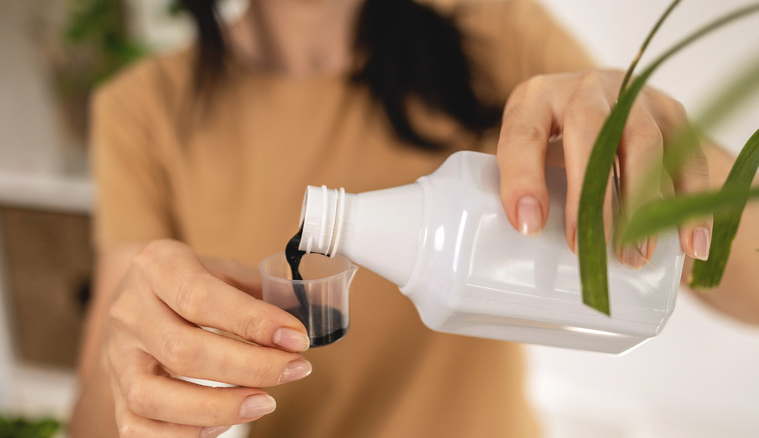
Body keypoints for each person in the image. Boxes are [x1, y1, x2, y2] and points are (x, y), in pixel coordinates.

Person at [69, 0, 759, 436]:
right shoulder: (143, 109)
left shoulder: (492, 34)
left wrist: (669, 153)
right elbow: (96, 421)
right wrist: (131, 366)